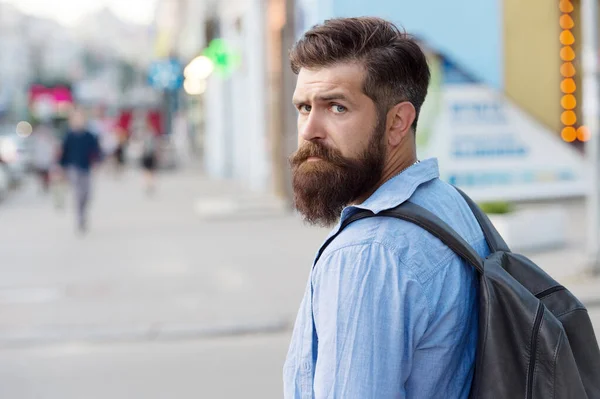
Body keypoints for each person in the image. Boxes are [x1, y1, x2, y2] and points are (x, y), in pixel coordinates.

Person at [283, 17, 491, 398]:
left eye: (337, 107)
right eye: (303, 107)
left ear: (398, 123)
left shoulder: (368, 255)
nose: (310, 129)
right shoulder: (451, 204)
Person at [59, 108, 102, 233]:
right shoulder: (69, 136)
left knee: (87, 194)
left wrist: (97, 162)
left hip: (86, 167)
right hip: (73, 167)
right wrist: (61, 167)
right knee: (78, 193)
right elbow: (63, 153)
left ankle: (83, 212)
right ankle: (79, 218)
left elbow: (96, 151)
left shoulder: (89, 135)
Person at [30, 122, 59, 193]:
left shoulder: (49, 140)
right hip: (40, 161)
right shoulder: (37, 140)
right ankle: (42, 186)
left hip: (46, 161)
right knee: (40, 175)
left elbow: (53, 149)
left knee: (46, 175)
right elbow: (35, 151)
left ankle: (46, 186)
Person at [139, 122, 159, 194]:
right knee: (150, 171)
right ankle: (150, 184)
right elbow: (155, 147)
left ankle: (148, 184)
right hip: (151, 155)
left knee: (147, 171)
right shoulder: (153, 137)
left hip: (147, 155)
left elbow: (143, 148)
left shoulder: (145, 137)